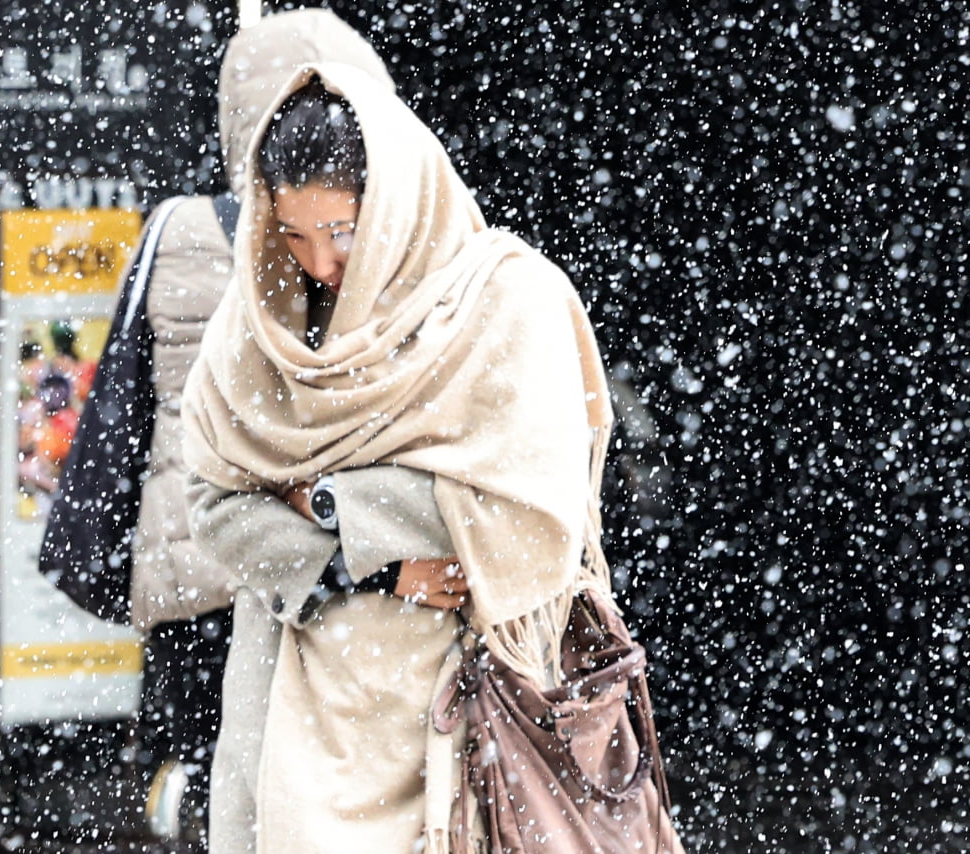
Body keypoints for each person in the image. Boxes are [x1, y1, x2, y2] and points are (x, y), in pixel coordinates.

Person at [181, 64, 622, 853]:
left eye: (342, 231)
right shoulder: (255, 327)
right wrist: (366, 564)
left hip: (460, 706)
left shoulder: (504, 301)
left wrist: (325, 503)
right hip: (295, 707)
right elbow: (212, 505)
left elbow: (530, 502)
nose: (317, 264)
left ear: (392, 209)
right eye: (292, 233)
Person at [39, 9, 398, 847]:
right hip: (330, 571)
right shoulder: (371, 245)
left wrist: (107, 558)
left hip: (196, 573)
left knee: (206, 788)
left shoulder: (176, 231)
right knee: (317, 791)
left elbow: (116, 417)